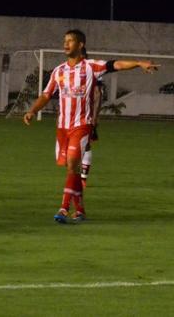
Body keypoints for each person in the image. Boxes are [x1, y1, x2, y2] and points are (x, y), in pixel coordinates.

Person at [23, 29, 159, 223]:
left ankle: (63, 208)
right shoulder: (58, 71)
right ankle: (80, 211)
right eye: (65, 41)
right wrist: (32, 110)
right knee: (73, 170)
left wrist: (138, 63)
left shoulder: (91, 67)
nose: (66, 44)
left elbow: (115, 64)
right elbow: (46, 95)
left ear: (80, 45)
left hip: (82, 125)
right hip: (62, 127)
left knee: (72, 164)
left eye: (70, 41)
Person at [80, 47, 103, 189]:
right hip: (71, 116)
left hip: (86, 115)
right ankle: (77, 177)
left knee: (86, 145)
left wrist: (94, 116)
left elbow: (97, 94)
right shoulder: (68, 69)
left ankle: (82, 179)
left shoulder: (91, 68)